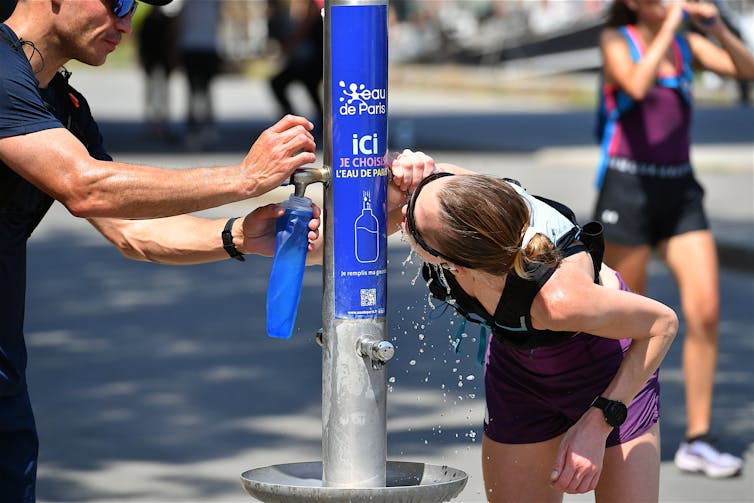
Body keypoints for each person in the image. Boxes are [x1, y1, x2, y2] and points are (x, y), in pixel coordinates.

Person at [0, 0, 318, 500]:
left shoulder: (63, 106)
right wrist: (244, 178)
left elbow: (133, 231)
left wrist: (237, 235)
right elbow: (86, 187)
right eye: (118, 1)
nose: (128, 20)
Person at [387, 150, 678, 502]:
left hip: (606, 371)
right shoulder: (450, 204)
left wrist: (600, 420)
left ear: (454, 266)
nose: (404, 209)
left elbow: (662, 324)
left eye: (411, 221)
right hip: (518, 373)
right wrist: (408, 166)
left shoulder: (560, 299)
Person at [593, 0, 754, 478]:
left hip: (680, 191)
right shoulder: (616, 41)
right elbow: (637, 84)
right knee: (624, 322)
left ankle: (698, 439)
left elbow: (747, 69)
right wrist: (669, 29)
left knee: (704, 310)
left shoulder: (689, 44)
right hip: (629, 187)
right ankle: (611, 424)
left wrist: (716, 26)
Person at [268, 0, 324, 129]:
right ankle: (302, 122)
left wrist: (291, 43)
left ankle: (292, 123)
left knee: (279, 83)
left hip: (315, 57)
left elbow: (307, 22)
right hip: (312, 57)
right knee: (310, 85)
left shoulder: (314, 5)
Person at [176, 0, 223, 150]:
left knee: (194, 91)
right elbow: (219, 21)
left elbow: (179, 23)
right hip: (206, 46)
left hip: (192, 47)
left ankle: (195, 130)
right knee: (205, 91)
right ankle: (206, 129)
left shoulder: (188, 3)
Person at [136, 1, 181, 141]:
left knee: (157, 92)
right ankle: (156, 122)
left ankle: (157, 122)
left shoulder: (150, 21)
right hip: (157, 61)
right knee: (157, 92)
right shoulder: (162, 22)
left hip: (157, 61)